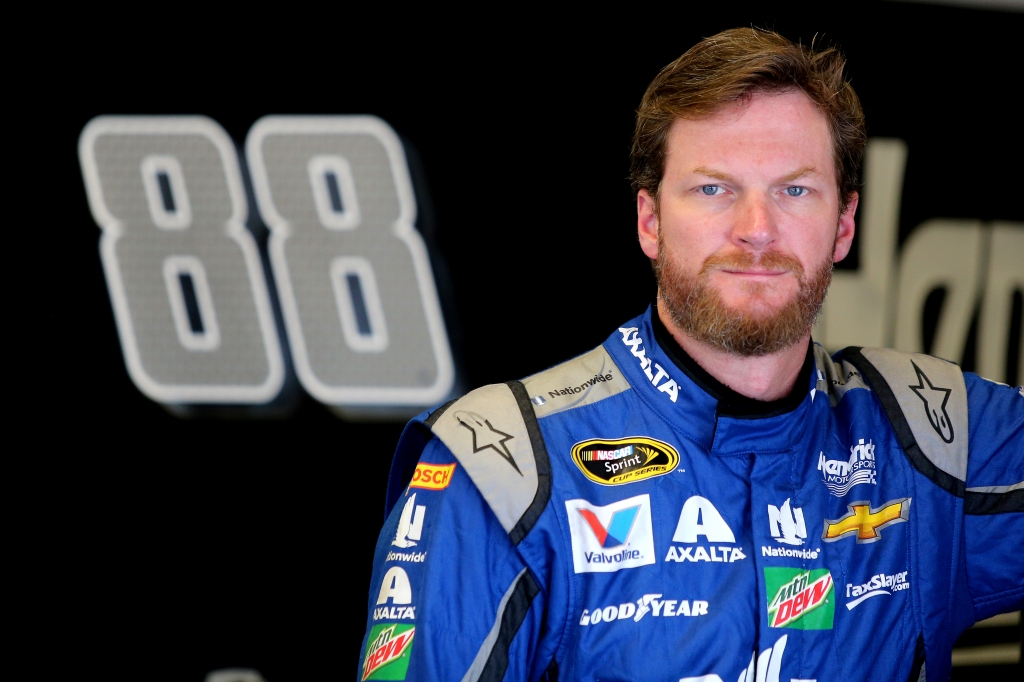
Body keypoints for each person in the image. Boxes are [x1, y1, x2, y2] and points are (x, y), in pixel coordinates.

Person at [358, 28, 1023, 682]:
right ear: (649, 221)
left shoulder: (931, 440)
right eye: (714, 189)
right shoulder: (504, 467)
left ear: (844, 225)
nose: (757, 230)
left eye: (795, 190)